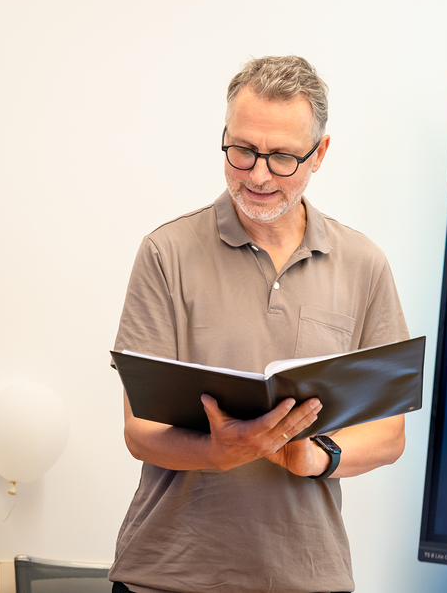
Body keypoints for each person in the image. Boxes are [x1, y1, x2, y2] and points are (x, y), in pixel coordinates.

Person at [108, 56, 410, 593]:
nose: (258, 175)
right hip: (167, 577)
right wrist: (216, 451)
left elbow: (388, 433)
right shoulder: (165, 253)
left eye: (282, 158)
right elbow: (140, 430)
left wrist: (315, 455)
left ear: (320, 154)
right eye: (242, 150)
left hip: (307, 578)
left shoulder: (364, 265)